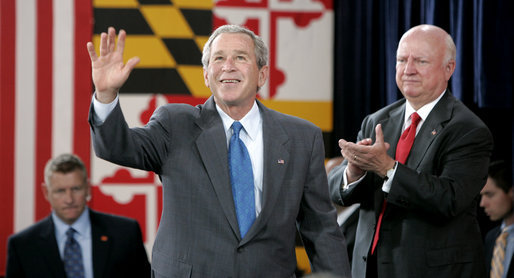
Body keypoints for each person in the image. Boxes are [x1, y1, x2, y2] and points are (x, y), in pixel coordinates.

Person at [85, 25, 351, 277]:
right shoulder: (175, 123)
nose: (228, 66)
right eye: (219, 58)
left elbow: (321, 228)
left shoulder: (302, 137)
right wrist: (106, 95)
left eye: (240, 57)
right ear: (206, 74)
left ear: (262, 74)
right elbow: (118, 148)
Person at [328, 24, 493, 278]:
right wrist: (354, 170)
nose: (408, 70)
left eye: (421, 61)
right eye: (402, 60)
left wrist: (388, 169)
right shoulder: (377, 120)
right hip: (369, 268)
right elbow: (338, 192)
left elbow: (449, 198)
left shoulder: (468, 129)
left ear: (449, 69)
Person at [5, 153, 150, 278]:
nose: (69, 199)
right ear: (46, 192)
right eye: (60, 191)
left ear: (87, 189)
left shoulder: (125, 233)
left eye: (76, 189)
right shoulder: (23, 246)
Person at [480, 160, 514, 278]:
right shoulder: (491, 237)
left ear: (512, 192)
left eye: (489, 195)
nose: (482, 203)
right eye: (482, 196)